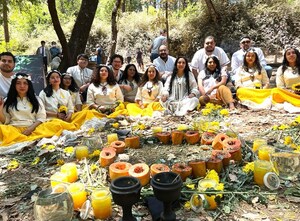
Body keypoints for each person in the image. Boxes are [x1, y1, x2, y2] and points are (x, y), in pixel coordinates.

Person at [0, 73, 47, 146]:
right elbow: (6, 121)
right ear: (14, 85)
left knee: (56, 124)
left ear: (29, 85)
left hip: (33, 128)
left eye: (25, 83)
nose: (22, 86)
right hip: (14, 130)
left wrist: (30, 129)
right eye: (18, 83)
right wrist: (0, 107)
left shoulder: (36, 99)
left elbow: (41, 117)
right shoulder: (8, 100)